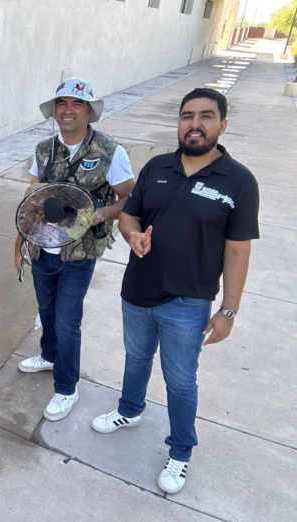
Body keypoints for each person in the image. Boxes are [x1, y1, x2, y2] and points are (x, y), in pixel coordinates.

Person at [91, 88, 259, 495]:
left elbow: (238, 251)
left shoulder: (239, 182)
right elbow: (129, 217)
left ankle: (180, 450)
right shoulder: (156, 167)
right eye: (187, 116)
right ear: (179, 122)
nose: (195, 124)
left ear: (222, 125)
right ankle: (130, 410)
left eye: (205, 116)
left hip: (188, 300)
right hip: (138, 289)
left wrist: (228, 311)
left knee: (181, 381)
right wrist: (132, 236)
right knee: (136, 358)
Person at [15, 78, 135, 421]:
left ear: (88, 111)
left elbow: (131, 197)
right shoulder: (43, 149)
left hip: (79, 254)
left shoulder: (110, 151)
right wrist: (19, 239)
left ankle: (67, 388)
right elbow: (32, 195)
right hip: (42, 247)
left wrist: (103, 213)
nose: (68, 111)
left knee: (68, 320)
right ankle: (49, 355)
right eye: (62, 104)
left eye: (77, 104)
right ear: (55, 110)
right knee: (46, 309)